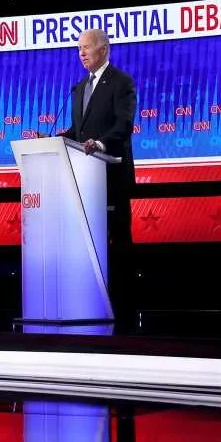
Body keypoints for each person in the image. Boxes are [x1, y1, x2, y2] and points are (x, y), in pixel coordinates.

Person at [59, 28, 138, 320]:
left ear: (103, 49)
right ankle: (93, 302)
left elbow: (124, 126)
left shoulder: (121, 83)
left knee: (118, 241)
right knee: (90, 242)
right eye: (79, 48)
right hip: (85, 182)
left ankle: (124, 306)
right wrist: (59, 139)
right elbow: (80, 133)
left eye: (86, 48)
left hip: (112, 177)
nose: (81, 53)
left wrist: (100, 144)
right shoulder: (79, 88)